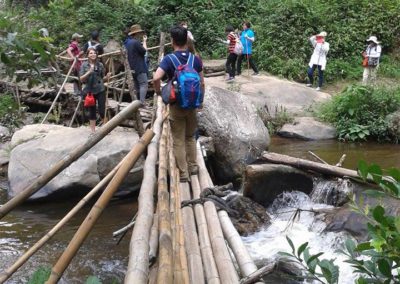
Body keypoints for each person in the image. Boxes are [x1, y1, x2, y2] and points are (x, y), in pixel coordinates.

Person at [153, 25, 205, 182]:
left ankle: (183, 174)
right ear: (187, 40)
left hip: (176, 105)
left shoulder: (169, 59)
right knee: (190, 137)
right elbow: (202, 83)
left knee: (178, 139)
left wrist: (158, 92)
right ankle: (193, 167)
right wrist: (200, 101)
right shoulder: (195, 59)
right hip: (192, 105)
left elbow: (156, 78)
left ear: (172, 41)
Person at [79, 47, 111, 133]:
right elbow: (81, 79)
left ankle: (106, 129)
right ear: (88, 55)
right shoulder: (84, 65)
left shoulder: (100, 64)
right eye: (91, 53)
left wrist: (107, 77)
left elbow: (102, 78)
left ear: (96, 54)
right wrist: (89, 72)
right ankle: (93, 131)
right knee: (91, 111)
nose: (93, 55)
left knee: (102, 110)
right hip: (89, 91)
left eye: (94, 53)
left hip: (100, 89)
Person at [124, 24, 148, 104]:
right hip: (139, 67)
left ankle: (137, 103)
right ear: (136, 33)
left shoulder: (127, 42)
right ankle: (141, 103)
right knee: (143, 84)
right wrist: (144, 41)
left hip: (131, 68)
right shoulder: (135, 42)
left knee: (137, 86)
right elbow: (144, 51)